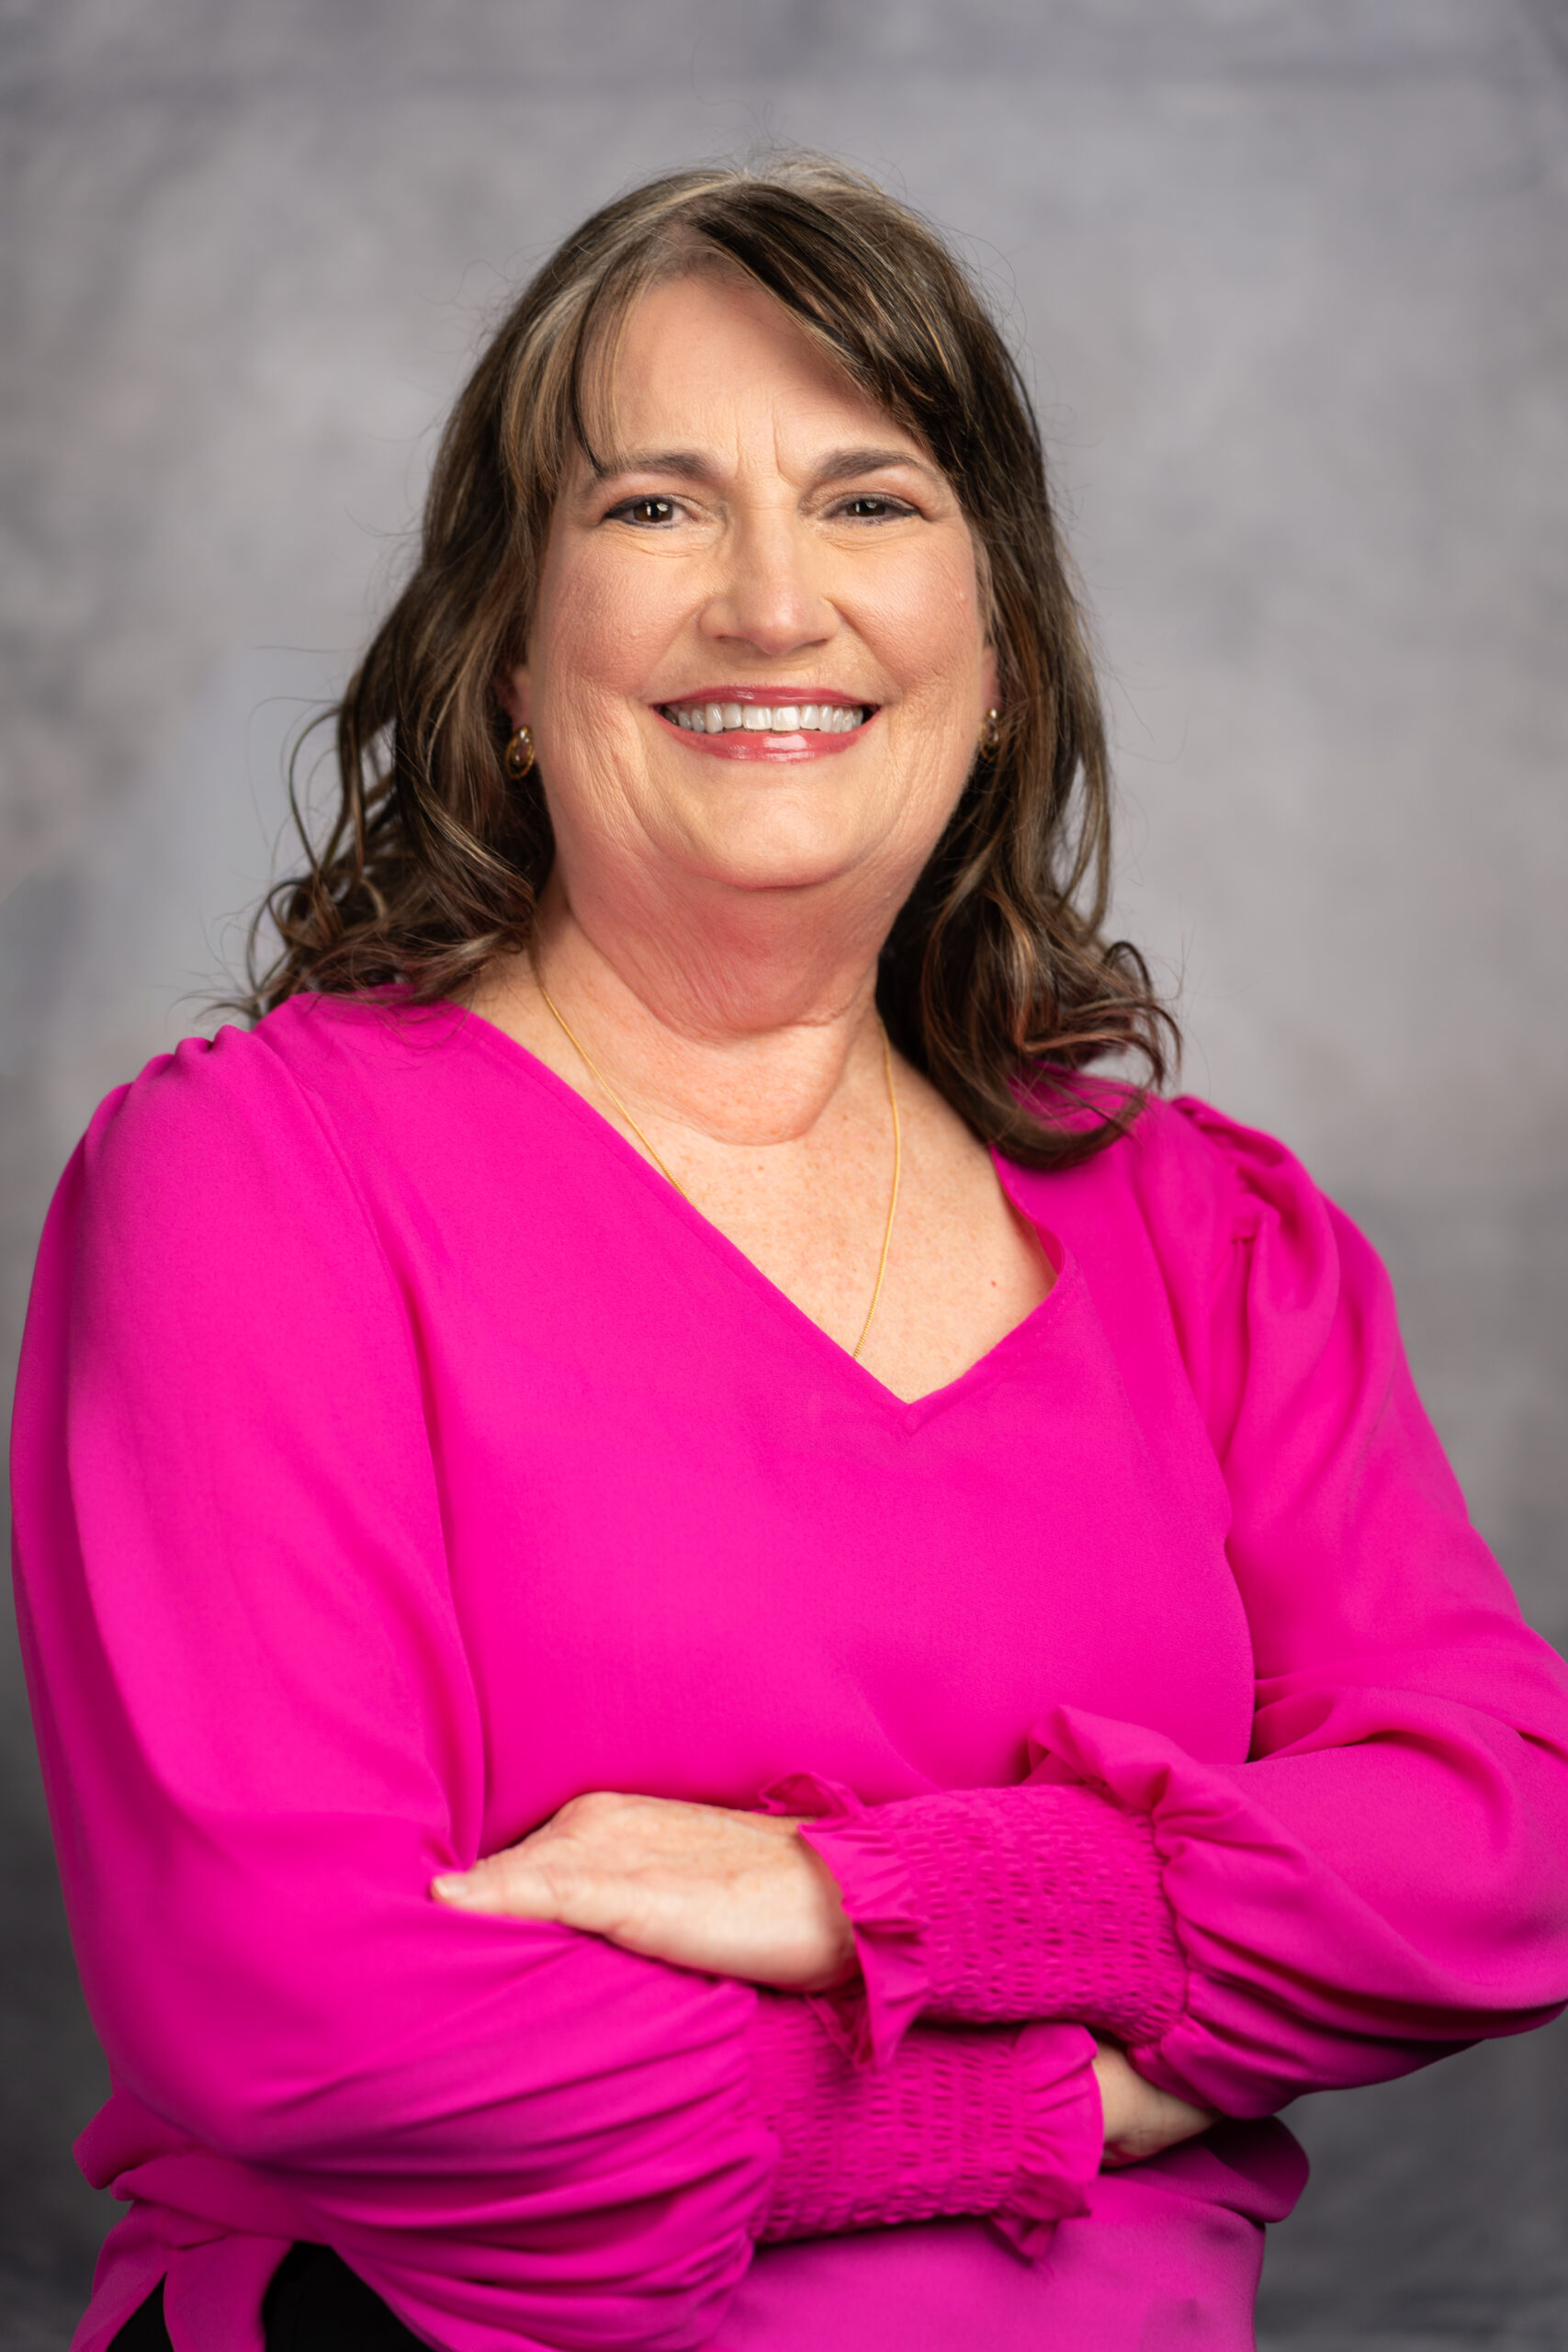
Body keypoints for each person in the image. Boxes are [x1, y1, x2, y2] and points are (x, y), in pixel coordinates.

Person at [13, 154, 1568, 2352]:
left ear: (1000, 655)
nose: (769, 603)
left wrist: (867, 1897)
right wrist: (1031, 2097)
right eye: (652, 507)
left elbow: (1495, 1846)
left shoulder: (1213, 1234)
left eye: (865, 500)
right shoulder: (256, 1178)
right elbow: (295, 2001)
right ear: (511, 666)